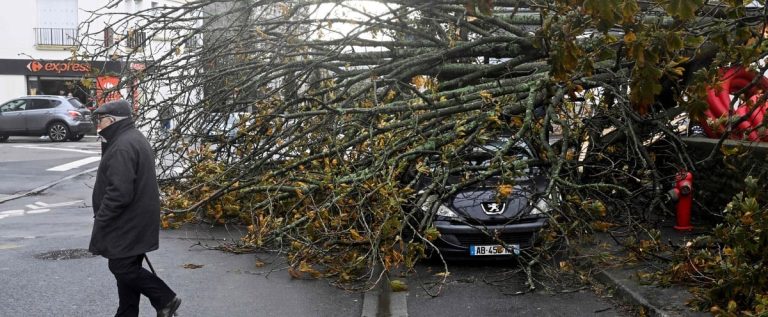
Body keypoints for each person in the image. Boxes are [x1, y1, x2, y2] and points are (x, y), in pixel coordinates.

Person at [89, 100, 181, 317]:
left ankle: (165, 298)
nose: (98, 126)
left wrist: (102, 218)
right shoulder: (130, 137)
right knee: (126, 272)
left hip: (128, 221)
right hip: (136, 219)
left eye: (100, 121)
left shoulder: (123, 145)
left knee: (121, 267)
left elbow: (119, 192)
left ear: (112, 120)